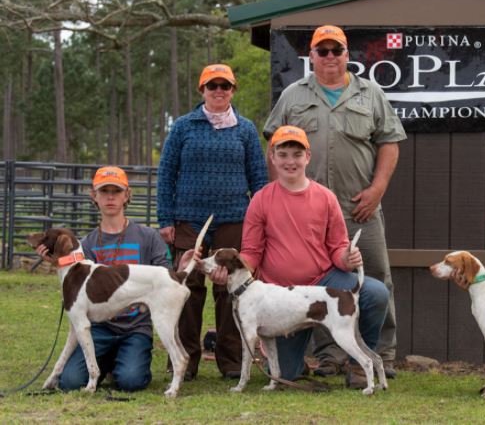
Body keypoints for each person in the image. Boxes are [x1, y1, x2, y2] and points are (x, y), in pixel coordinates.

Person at [263, 25, 406, 379]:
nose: (329, 57)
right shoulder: (293, 95)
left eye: (336, 50)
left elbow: (390, 143)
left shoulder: (370, 93)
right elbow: (274, 146)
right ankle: (329, 355)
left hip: (359, 209)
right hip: (308, 212)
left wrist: (377, 190)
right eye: (322, 51)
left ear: (347, 54)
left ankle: (379, 358)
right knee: (318, 284)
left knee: (374, 281)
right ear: (310, 56)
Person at [209, 125, 389, 388]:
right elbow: (252, 253)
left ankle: (359, 367)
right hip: (281, 295)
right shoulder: (260, 200)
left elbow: (338, 249)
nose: (290, 161)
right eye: (283, 154)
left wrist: (347, 259)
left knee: (376, 293)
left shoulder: (326, 198)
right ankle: (295, 359)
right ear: (272, 158)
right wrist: (228, 270)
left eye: (296, 154)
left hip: (324, 280)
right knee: (285, 375)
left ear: (308, 157)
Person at [35, 166, 193, 392]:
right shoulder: (85, 244)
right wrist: (56, 261)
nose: (110, 196)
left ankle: (119, 362)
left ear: (127, 195)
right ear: (94, 196)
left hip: (135, 329)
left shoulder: (148, 236)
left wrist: (182, 268)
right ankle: (106, 362)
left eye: (116, 191)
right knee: (70, 383)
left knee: (131, 381)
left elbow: (163, 278)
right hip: (100, 328)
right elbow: (77, 295)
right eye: (104, 191)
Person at [157, 64, 268, 380]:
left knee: (231, 289)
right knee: (187, 287)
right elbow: (166, 173)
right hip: (189, 219)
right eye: (212, 86)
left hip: (234, 218)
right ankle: (185, 360)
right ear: (201, 90)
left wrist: (257, 222)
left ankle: (231, 359)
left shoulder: (246, 129)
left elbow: (258, 177)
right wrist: (166, 219)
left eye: (225, 85)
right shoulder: (183, 126)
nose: (219, 91)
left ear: (233, 89)